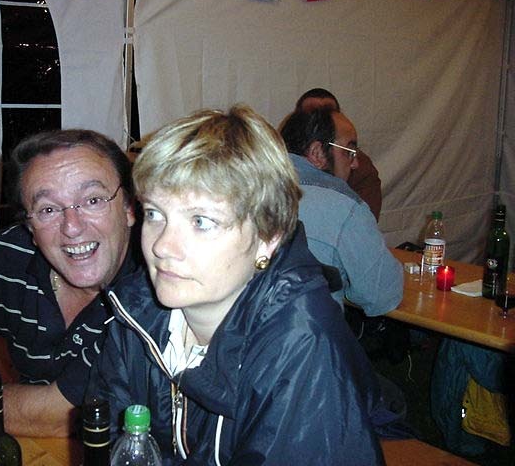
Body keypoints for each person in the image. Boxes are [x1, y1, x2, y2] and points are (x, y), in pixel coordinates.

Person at [94, 105, 406, 464]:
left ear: (267, 238)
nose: (162, 245)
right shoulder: (134, 313)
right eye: (154, 214)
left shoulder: (300, 345)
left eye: (201, 221)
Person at [0, 129, 140, 437]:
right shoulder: (12, 254)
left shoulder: (152, 292)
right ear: (30, 227)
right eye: (48, 209)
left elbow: (59, 414)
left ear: (129, 208)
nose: (72, 227)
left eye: (93, 200)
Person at [280, 108, 402, 317]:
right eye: (349, 152)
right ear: (317, 153)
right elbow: (383, 296)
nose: (355, 163)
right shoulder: (345, 207)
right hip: (303, 334)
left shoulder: (242, 190)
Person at [295, 88, 382, 221]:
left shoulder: (360, 167)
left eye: (329, 113)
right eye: (312, 113)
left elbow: (363, 221)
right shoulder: (274, 160)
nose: (321, 120)